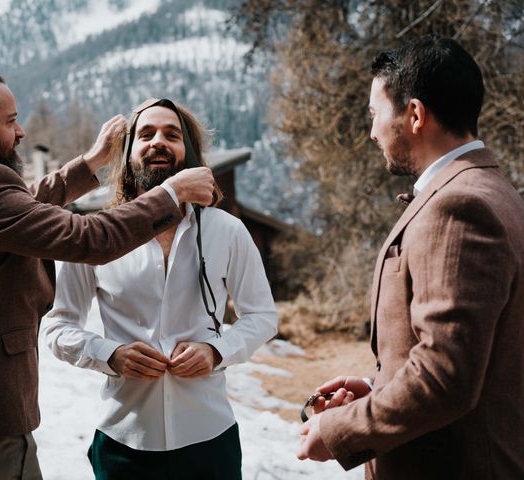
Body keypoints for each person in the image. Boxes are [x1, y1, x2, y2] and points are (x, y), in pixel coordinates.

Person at [0, 68, 215, 480]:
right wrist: (172, 194)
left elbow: (21, 210)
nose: (22, 131)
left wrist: (90, 163)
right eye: (10, 121)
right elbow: (89, 238)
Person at [296, 35, 524, 479]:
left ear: (415, 115)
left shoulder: (460, 208)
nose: (372, 131)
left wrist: (340, 429)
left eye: (375, 113)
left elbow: (445, 377)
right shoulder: (495, 191)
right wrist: (382, 385)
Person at [44, 97, 278, 479]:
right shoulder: (94, 236)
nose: (158, 142)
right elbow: (57, 327)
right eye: (146, 134)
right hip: (122, 443)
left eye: (172, 135)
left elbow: (262, 317)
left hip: (210, 439)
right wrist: (110, 354)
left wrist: (217, 351)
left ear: (189, 155)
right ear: (128, 155)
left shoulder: (228, 231)